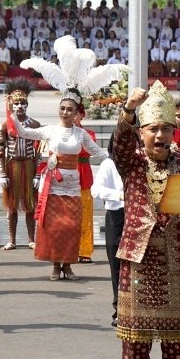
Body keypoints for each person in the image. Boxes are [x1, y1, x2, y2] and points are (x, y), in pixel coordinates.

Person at [114, 81, 180, 359]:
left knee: (176, 344)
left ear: (173, 132)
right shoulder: (132, 162)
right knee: (135, 344)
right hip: (138, 260)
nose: (160, 135)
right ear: (141, 133)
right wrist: (130, 109)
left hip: (175, 260)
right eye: (153, 129)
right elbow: (119, 144)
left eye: (166, 129)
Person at [18, 35, 126, 280]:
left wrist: (120, 160)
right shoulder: (50, 130)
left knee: (72, 227)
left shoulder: (82, 135)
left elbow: (101, 154)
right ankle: (55, 267)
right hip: (52, 185)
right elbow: (25, 132)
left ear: (78, 112)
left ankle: (68, 265)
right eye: (63, 108)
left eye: (70, 109)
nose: (66, 112)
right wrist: (12, 114)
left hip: (73, 186)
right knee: (54, 228)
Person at [0, 79, 41, 250]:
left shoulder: (35, 125)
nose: (20, 106)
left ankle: (31, 239)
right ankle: (12, 240)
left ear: (27, 105)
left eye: (23, 103)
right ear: (11, 105)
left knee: (30, 204)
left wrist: (38, 174)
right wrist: (2, 173)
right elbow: (1, 151)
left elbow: (39, 151)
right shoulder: (5, 125)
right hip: (12, 166)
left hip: (29, 166)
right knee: (12, 204)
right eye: (16, 103)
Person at [91, 133, 124, 327]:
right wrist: (121, 196)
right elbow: (97, 190)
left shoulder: (143, 163)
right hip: (117, 217)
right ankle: (119, 310)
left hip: (140, 217)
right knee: (117, 266)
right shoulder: (109, 165)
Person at [75, 107, 98, 264]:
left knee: (85, 215)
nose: (71, 115)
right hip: (65, 173)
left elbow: (89, 150)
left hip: (82, 173)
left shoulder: (89, 134)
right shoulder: (60, 132)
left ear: (82, 115)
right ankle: (67, 249)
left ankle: (84, 250)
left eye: (75, 113)